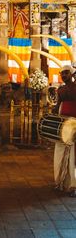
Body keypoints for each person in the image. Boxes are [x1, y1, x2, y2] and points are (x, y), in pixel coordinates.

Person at [52, 65, 76, 197]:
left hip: (74, 126)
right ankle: (61, 181)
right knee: (61, 152)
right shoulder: (60, 90)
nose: (64, 75)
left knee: (74, 156)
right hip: (63, 125)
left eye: (66, 73)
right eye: (62, 73)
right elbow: (57, 107)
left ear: (72, 74)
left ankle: (73, 185)